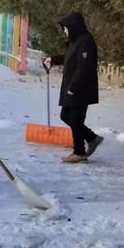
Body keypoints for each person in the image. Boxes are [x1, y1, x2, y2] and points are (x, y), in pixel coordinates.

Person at [44, 12, 103, 163]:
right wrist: (54, 59)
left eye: (66, 28)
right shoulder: (76, 41)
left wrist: (74, 87)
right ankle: (92, 138)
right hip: (72, 87)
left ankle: (79, 152)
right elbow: (70, 58)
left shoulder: (85, 41)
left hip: (80, 89)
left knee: (75, 119)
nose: (64, 31)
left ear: (74, 26)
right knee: (66, 116)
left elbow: (85, 67)